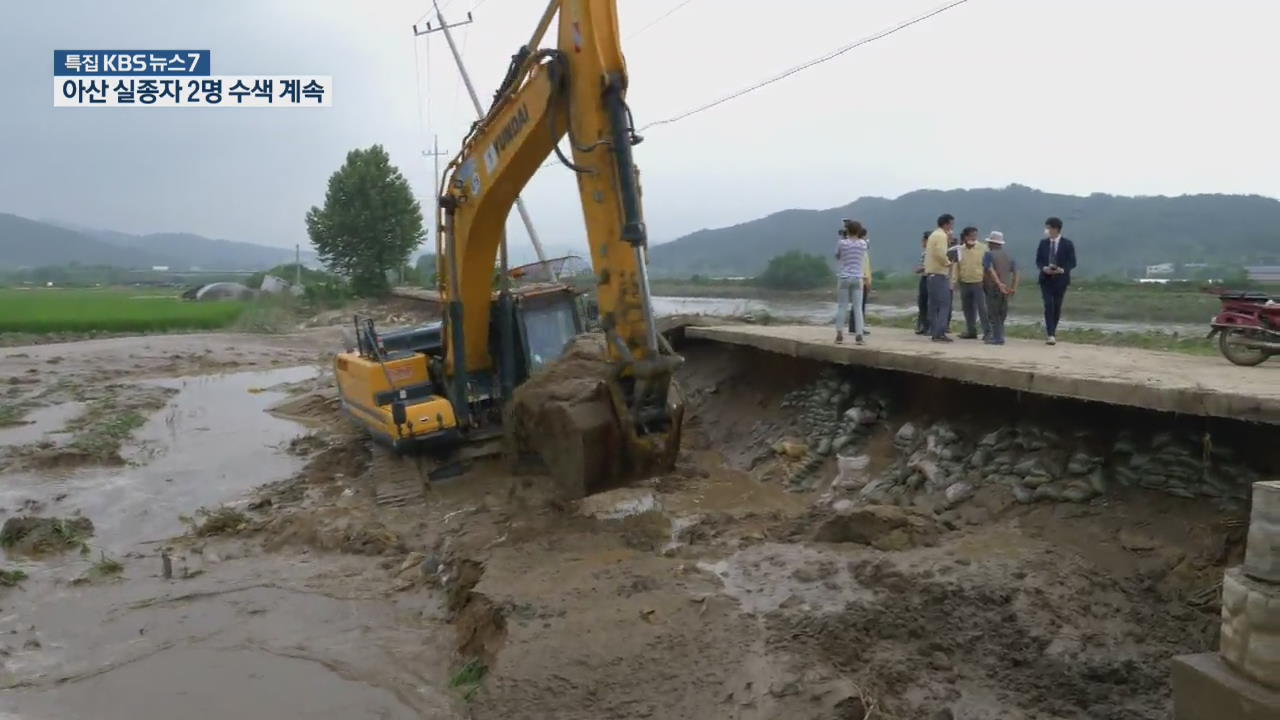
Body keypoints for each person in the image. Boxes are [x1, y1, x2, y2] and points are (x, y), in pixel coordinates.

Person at [1035, 216, 1077, 345]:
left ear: (1055, 229)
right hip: (1046, 279)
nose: (1046, 230)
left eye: (1048, 228)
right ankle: (1050, 334)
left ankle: (1053, 330)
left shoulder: (1067, 244)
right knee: (1048, 304)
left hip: (1060, 279)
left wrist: (1062, 269)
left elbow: (1073, 262)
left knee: (1057, 306)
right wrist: (1044, 268)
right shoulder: (1043, 243)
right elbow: (1038, 260)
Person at [834, 220, 868, 345]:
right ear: (859, 231)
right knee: (858, 308)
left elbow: (837, 256)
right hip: (857, 278)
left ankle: (839, 334)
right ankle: (859, 335)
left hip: (844, 277)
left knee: (842, 306)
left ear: (847, 230)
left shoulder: (841, 243)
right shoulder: (863, 244)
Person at [982, 231, 1018, 345]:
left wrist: (998, 283)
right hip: (1006, 288)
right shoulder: (1009, 256)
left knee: (993, 313)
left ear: (992, 243)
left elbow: (990, 269)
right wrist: (1013, 287)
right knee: (1002, 313)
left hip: (993, 287)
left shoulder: (988, 255)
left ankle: (997, 337)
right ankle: (999, 335)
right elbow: (1016, 273)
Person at [955, 226, 990, 340]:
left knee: (982, 308)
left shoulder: (984, 248)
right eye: (971, 236)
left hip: (979, 282)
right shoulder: (960, 249)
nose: (973, 238)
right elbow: (956, 266)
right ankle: (971, 331)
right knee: (967, 308)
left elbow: (988, 266)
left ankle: (987, 332)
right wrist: (955, 281)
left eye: (975, 236)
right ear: (965, 237)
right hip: (964, 282)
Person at [925, 214, 955, 342]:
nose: (952, 226)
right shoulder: (942, 235)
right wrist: (948, 263)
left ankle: (934, 331)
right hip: (939, 274)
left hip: (931, 275)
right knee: (944, 304)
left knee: (933, 304)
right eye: (951, 224)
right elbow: (940, 253)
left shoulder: (933, 235)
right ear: (946, 224)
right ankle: (940, 332)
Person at [850, 225, 872, 336]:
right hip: (861, 280)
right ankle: (859, 327)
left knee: (856, 304)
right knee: (860, 305)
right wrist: (867, 280)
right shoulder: (861, 250)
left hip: (856, 278)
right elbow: (864, 267)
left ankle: (853, 327)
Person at [914, 231, 930, 334]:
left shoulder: (931, 252)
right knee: (922, 303)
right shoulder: (924, 252)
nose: (922, 242)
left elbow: (928, 266)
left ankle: (927, 326)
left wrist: (920, 269)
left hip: (929, 278)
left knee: (927, 303)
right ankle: (922, 326)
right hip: (924, 279)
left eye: (924, 240)